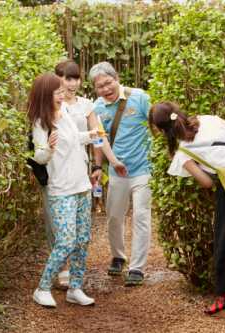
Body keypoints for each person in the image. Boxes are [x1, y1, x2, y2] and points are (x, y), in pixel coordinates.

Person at [148, 101, 225, 317]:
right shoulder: (207, 119)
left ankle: (224, 302)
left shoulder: (182, 149)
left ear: (162, 130)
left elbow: (207, 183)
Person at [45, 60, 127, 288]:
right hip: (56, 165)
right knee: (59, 219)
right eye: (67, 78)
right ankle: (61, 268)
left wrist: (104, 164)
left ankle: (74, 273)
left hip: (78, 165)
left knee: (79, 222)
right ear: (57, 79)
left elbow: (98, 136)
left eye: (76, 78)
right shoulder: (52, 104)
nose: (72, 83)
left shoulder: (86, 105)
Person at [27, 73, 97, 308]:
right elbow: (38, 156)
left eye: (62, 91)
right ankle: (42, 288)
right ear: (45, 95)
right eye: (57, 92)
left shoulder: (65, 112)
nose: (62, 94)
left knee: (83, 239)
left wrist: (92, 135)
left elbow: (75, 138)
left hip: (81, 185)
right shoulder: (40, 122)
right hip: (61, 188)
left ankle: (75, 288)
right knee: (66, 241)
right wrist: (48, 148)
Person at [88, 62, 152, 286]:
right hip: (116, 170)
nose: (106, 89)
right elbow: (98, 140)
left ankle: (137, 268)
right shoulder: (96, 108)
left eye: (108, 82)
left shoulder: (140, 97)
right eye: (100, 86)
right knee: (114, 215)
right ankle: (118, 255)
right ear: (95, 89)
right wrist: (98, 166)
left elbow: (154, 125)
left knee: (141, 216)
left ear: (117, 78)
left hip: (143, 168)